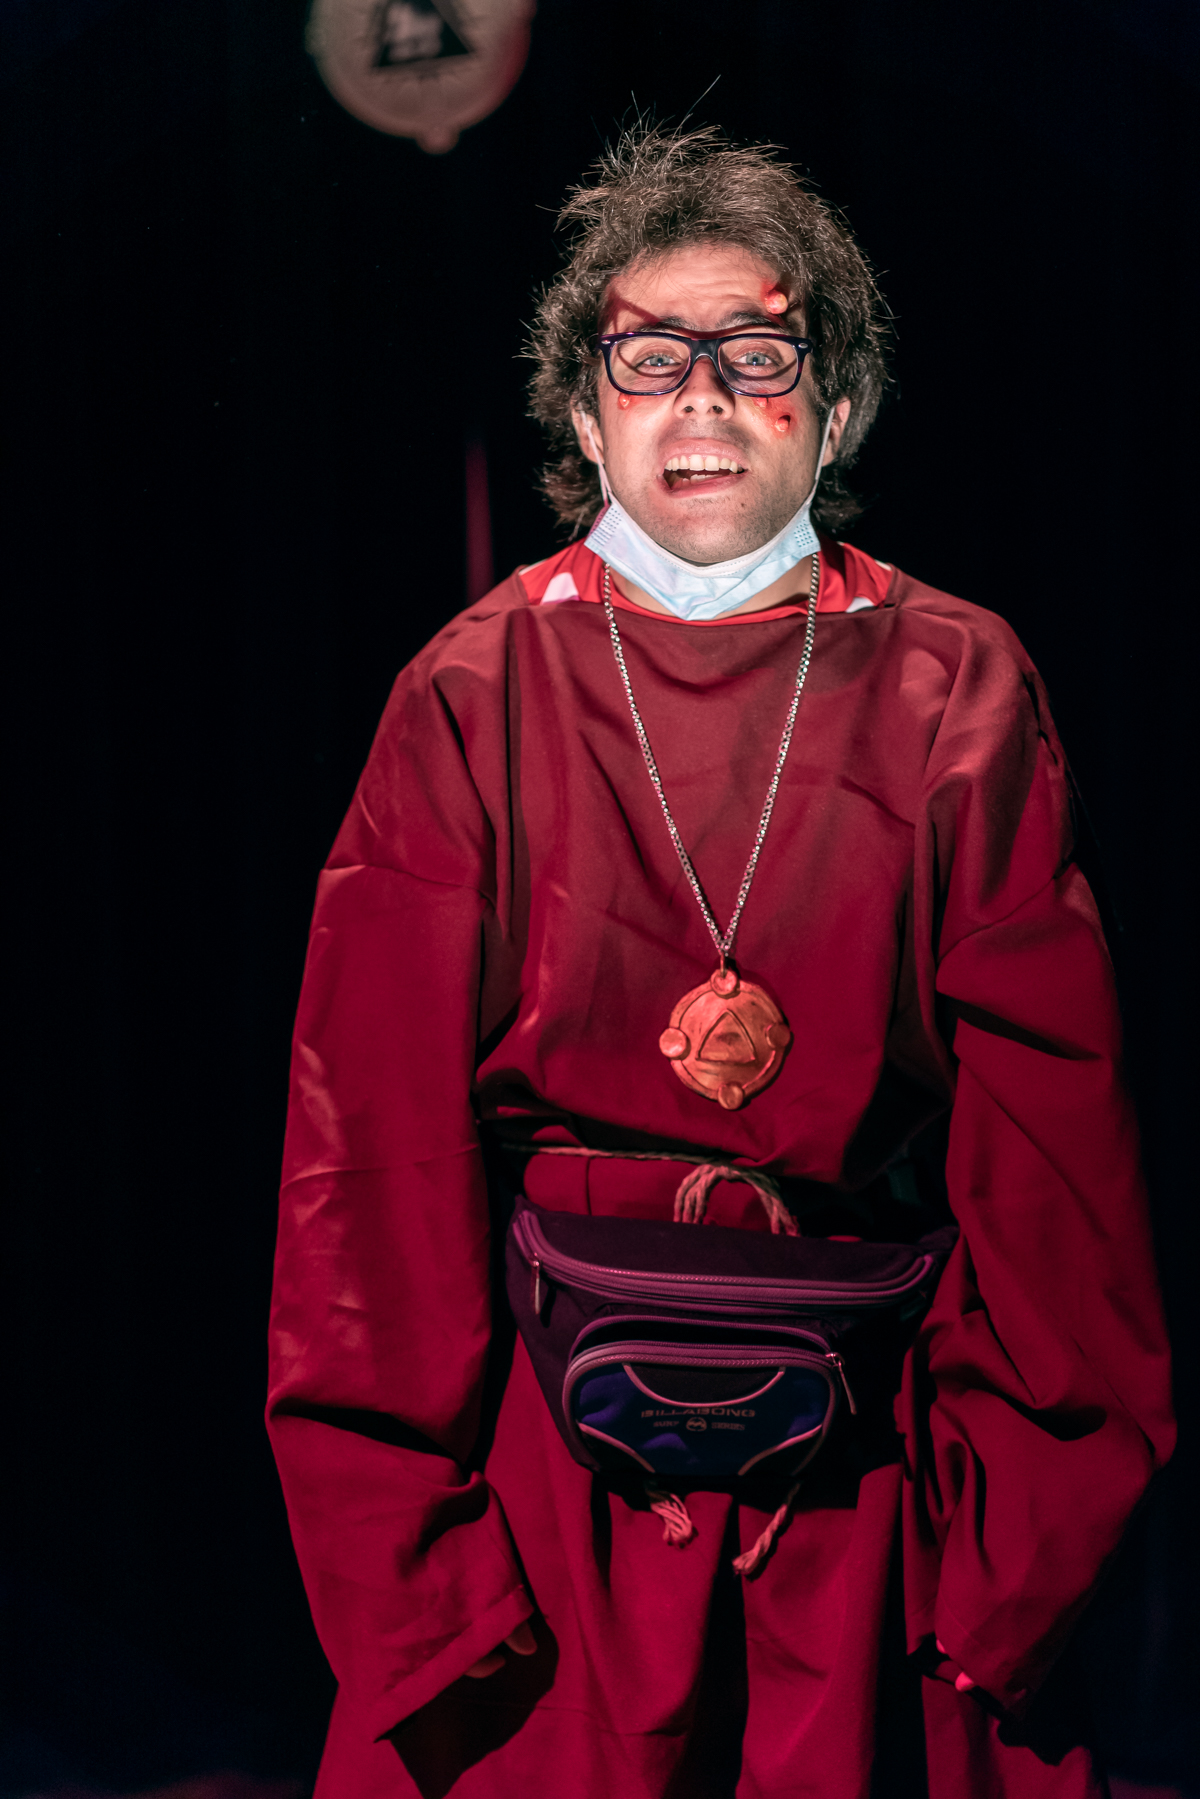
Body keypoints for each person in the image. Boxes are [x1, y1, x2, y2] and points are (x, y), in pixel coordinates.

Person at [267, 125, 1174, 1797]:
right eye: (649, 358)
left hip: (868, 1495)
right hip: (551, 1496)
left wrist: (1010, 1555)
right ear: (584, 413)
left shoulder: (953, 686)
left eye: (761, 354)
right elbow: (366, 1173)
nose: (702, 397)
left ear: (838, 409)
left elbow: (1058, 1162)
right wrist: (423, 1585)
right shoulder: (474, 692)